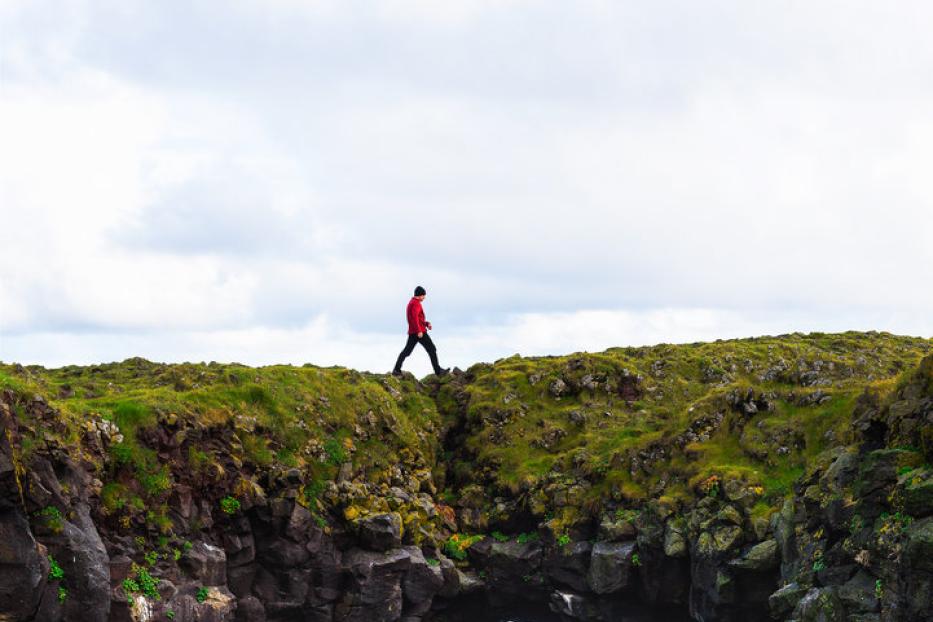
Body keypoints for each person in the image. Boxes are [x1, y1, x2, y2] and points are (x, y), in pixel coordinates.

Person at [393, 286, 449, 377]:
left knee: (407, 351)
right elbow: (414, 318)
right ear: (420, 295)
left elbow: (417, 318)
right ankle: (438, 371)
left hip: (414, 331)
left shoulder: (412, 302)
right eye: (423, 295)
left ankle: (396, 369)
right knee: (432, 349)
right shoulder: (416, 303)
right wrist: (419, 330)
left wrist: (426, 323)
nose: (424, 297)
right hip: (419, 332)